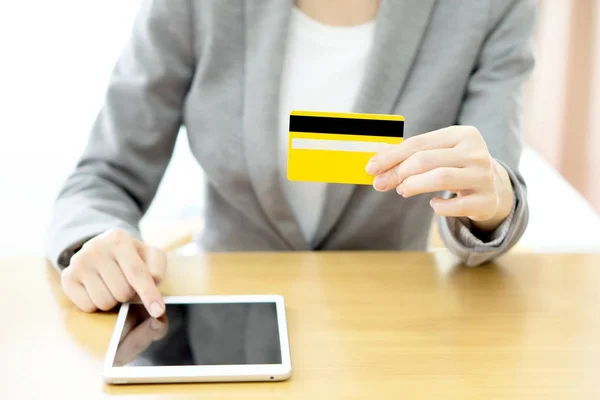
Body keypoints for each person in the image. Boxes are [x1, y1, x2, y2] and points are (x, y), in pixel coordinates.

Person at [46, 0, 536, 318]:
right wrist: (96, 242)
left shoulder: (492, 8)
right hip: (226, 318)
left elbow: (493, 185)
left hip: (394, 323)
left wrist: (492, 202)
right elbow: (103, 177)